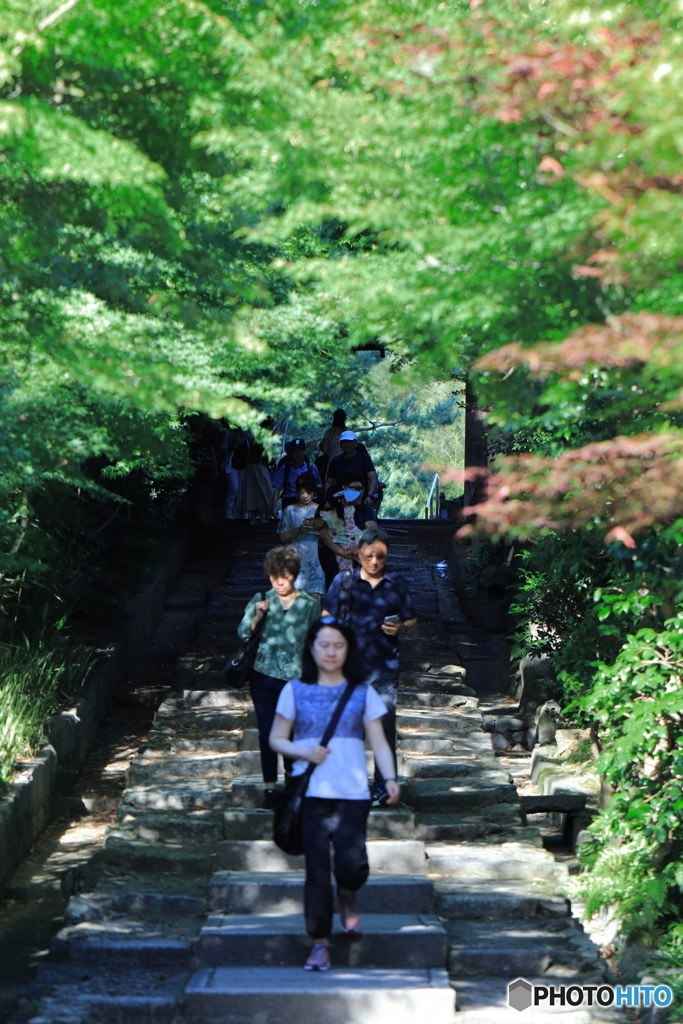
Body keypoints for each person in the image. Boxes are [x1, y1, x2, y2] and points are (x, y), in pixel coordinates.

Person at [269, 619, 399, 972]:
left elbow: (380, 743)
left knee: (351, 865)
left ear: (347, 650)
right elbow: (276, 738)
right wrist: (302, 752)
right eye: (323, 644)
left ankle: (348, 891)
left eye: (337, 645)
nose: (330, 651)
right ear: (312, 648)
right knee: (315, 869)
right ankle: (319, 943)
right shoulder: (294, 690)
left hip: (353, 793)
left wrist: (389, 778)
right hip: (310, 793)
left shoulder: (362, 692)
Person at [322, 526, 417, 807]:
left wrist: (401, 628)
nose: (374, 562)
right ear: (358, 554)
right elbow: (326, 617)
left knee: (384, 725)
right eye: (368, 556)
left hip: (385, 665)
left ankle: (384, 786)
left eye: (380, 557)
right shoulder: (344, 582)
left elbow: (412, 619)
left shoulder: (396, 583)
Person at [237, 546, 320, 808]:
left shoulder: (308, 605)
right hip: (263, 675)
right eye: (275, 578)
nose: (280, 583)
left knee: (294, 733)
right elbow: (243, 633)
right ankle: (270, 788)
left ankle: (293, 783)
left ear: (294, 575)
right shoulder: (261, 599)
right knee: (266, 733)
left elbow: (318, 641)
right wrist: (258, 615)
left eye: (285, 576)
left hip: (296, 679)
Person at [316, 480, 378, 581]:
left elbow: (373, 530)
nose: (360, 493)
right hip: (335, 560)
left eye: (361, 489)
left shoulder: (365, 509)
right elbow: (323, 533)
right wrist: (342, 551)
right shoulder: (328, 511)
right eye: (356, 489)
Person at [277, 474, 325, 600]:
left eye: (308, 492)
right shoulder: (289, 510)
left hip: (317, 555)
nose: (305, 496)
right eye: (302, 492)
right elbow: (282, 537)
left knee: (316, 593)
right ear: (297, 492)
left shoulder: (322, 510)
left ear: (314, 492)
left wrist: (316, 527)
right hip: (295, 554)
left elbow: (332, 534)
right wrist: (299, 530)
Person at [271, 439, 323, 514]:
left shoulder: (312, 467)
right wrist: (274, 507)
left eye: (301, 450)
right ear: (291, 452)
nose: (298, 453)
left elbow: (320, 485)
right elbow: (277, 488)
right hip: (289, 502)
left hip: (307, 501)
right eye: (295, 450)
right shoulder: (285, 468)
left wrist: (313, 486)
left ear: (305, 451)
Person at [325, 431, 379, 501]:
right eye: (343, 442)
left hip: (361, 498)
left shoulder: (364, 458)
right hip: (341, 500)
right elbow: (329, 482)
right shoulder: (335, 461)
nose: (346, 444)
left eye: (349, 442)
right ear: (340, 444)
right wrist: (328, 499)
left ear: (355, 443)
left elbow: (373, 479)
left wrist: (369, 496)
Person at [220, 425, 252, 519]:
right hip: (232, 466)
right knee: (233, 488)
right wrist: (231, 448)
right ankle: (228, 512)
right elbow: (222, 448)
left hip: (244, 467)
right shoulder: (229, 433)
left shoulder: (248, 434)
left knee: (243, 491)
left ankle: (243, 514)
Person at [244, 442, 274, 526]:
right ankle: (260, 517)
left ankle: (256, 517)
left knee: (256, 490)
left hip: (257, 465)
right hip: (257, 465)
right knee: (260, 490)